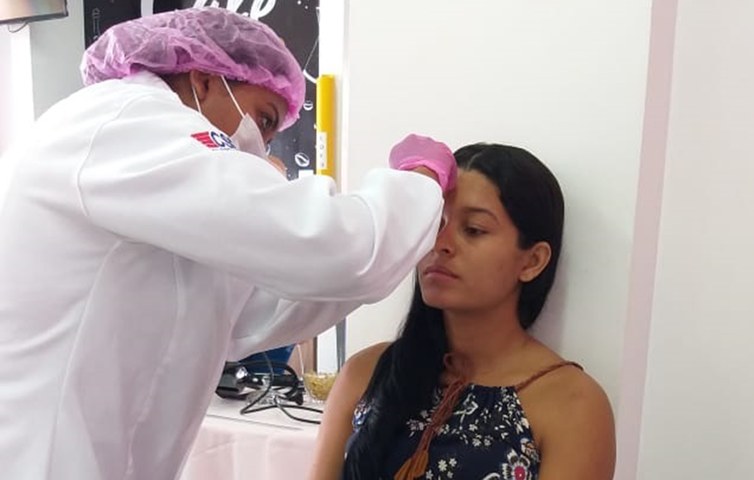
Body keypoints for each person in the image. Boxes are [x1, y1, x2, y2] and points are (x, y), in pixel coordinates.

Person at [0, 8, 458, 480]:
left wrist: (397, 240)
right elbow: (330, 248)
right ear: (203, 80)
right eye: (263, 119)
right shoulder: (128, 121)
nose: (260, 147)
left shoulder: (154, 184)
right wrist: (418, 182)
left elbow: (251, 314)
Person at [311, 144, 616, 480]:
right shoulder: (366, 374)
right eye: (434, 224)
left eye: (473, 229)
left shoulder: (570, 403)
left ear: (533, 261)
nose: (440, 244)